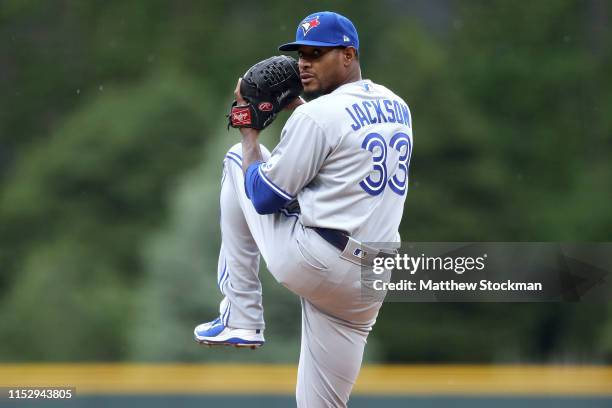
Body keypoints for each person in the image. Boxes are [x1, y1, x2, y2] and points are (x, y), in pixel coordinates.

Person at [194, 11, 413, 407]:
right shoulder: (398, 106)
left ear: (348, 55)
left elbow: (263, 198)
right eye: (301, 54)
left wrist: (249, 133)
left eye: (317, 53)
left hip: (320, 262)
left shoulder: (317, 117)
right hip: (370, 281)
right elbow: (342, 158)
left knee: (236, 161)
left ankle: (241, 315)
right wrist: (298, 110)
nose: (304, 63)